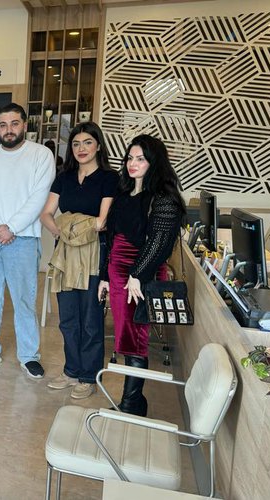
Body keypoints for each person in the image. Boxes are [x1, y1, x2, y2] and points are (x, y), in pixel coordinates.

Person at [0, 103, 55, 380]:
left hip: (23, 239)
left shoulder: (41, 155)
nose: (9, 130)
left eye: (14, 123)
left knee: (24, 300)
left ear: (24, 125)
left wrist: (11, 228)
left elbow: (39, 197)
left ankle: (29, 356)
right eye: (3, 125)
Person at [98, 134, 186, 416]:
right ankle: (134, 401)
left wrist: (137, 274)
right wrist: (105, 276)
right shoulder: (124, 193)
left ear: (154, 162)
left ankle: (131, 404)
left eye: (141, 159)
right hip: (119, 274)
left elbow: (159, 243)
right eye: (130, 158)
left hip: (140, 276)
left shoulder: (164, 198)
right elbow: (112, 238)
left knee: (134, 338)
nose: (132, 163)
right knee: (125, 336)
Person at [39, 122, 117, 398]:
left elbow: (102, 222)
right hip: (66, 253)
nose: (81, 148)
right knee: (68, 318)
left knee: (91, 320)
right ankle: (71, 370)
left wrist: (70, 223)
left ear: (98, 145)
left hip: (95, 253)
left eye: (87, 142)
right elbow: (46, 214)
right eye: (75, 143)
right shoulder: (64, 177)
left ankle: (88, 376)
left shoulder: (109, 178)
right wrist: (62, 231)